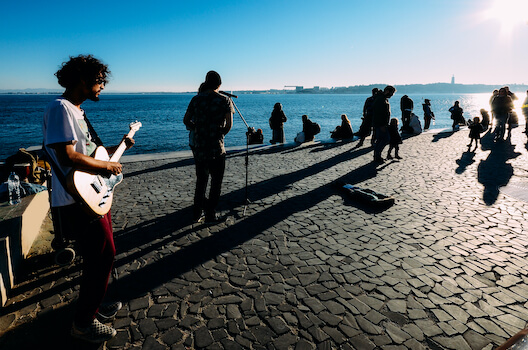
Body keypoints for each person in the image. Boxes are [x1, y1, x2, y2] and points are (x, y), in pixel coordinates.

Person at [42, 54, 134, 343]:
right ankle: (83, 323)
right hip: (74, 201)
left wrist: (118, 150)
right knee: (104, 255)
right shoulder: (61, 108)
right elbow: (67, 156)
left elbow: (90, 152)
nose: (102, 86)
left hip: (90, 197)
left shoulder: (77, 111)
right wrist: (106, 166)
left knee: (98, 257)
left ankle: (92, 307)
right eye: (99, 80)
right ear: (83, 79)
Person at [183, 71, 234, 223]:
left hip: (200, 147)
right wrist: (220, 134)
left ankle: (197, 213)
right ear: (219, 84)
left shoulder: (196, 99)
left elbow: (186, 120)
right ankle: (210, 214)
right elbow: (229, 125)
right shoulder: (224, 100)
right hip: (217, 148)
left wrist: (197, 129)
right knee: (216, 183)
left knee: (201, 181)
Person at [372, 85, 396, 163]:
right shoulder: (381, 99)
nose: (392, 95)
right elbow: (379, 113)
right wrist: (382, 124)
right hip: (381, 124)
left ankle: (377, 156)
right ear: (388, 91)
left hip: (380, 123)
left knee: (380, 139)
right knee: (385, 139)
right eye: (392, 93)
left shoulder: (381, 98)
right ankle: (377, 155)